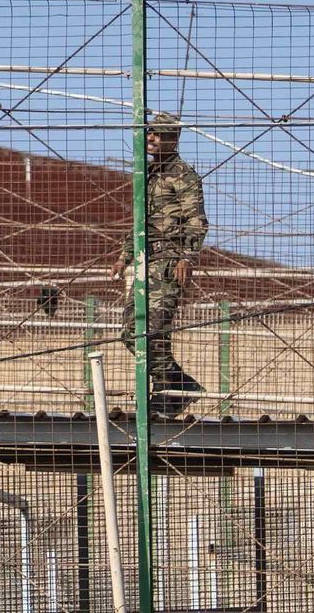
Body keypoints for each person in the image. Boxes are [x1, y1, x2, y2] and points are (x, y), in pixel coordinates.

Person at [111, 111, 209, 415]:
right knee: (131, 332)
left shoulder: (183, 175)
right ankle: (174, 385)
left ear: (173, 138)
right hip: (144, 261)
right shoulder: (147, 174)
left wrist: (187, 257)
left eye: (159, 134)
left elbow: (197, 221)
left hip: (167, 263)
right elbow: (140, 222)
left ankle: (172, 389)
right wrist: (124, 256)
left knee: (150, 330)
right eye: (149, 133)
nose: (151, 139)